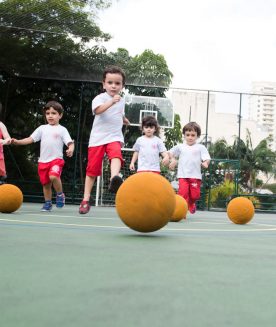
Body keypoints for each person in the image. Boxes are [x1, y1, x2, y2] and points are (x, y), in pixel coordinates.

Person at [79, 66, 130, 215]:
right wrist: (112, 102)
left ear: (122, 86)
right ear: (104, 84)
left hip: (114, 136)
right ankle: (86, 199)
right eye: (110, 82)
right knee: (92, 171)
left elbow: (119, 113)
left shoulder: (121, 100)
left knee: (116, 155)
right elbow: (98, 111)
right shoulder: (100, 98)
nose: (113, 86)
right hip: (97, 139)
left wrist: (124, 119)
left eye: (117, 83)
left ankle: (114, 178)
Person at [12, 101, 74, 211]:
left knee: (54, 176)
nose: (50, 115)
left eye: (54, 113)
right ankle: (48, 203)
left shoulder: (62, 129)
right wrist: (17, 142)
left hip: (56, 160)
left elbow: (70, 142)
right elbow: (30, 139)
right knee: (46, 184)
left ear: (60, 115)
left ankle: (60, 195)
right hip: (43, 162)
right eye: (48, 113)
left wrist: (71, 149)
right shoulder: (42, 128)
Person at [164, 121, 210, 214]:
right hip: (183, 176)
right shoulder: (180, 146)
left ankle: (191, 203)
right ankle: (182, 211)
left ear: (197, 136)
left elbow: (207, 158)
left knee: (194, 196)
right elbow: (170, 153)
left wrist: (206, 163)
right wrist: (172, 159)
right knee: (183, 194)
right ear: (184, 135)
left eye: (193, 135)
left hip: (195, 176)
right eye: (187, 135)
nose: (190, 137)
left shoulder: (200, 147)